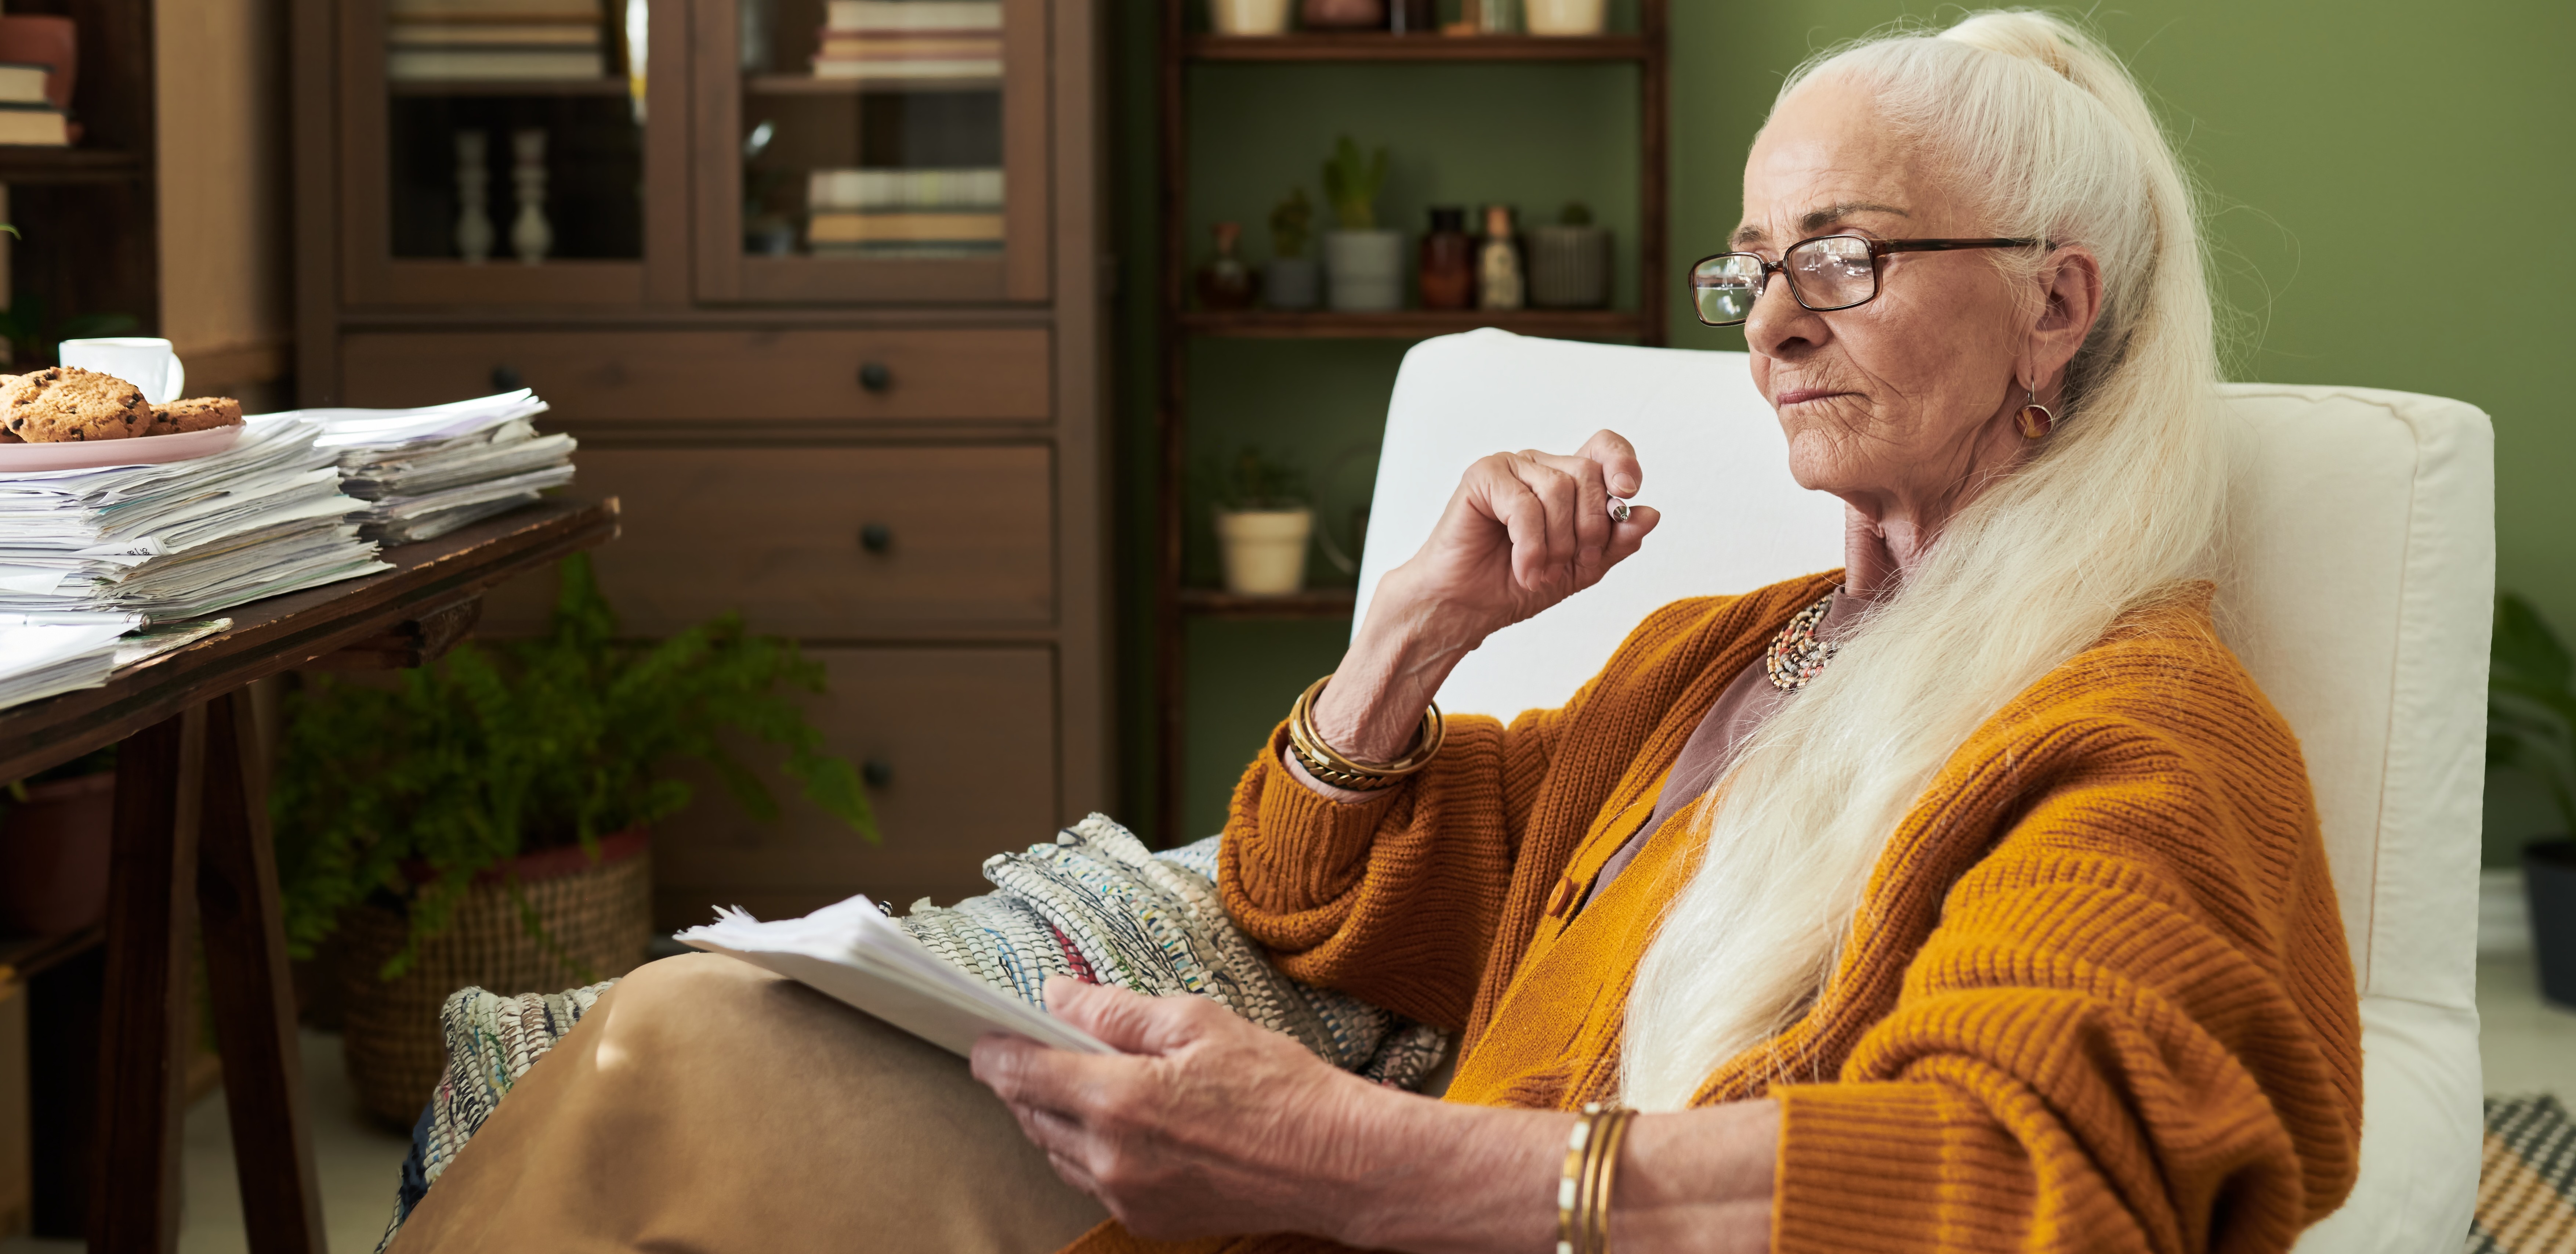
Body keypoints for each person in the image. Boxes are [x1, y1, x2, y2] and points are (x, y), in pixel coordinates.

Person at [388, 11, 2359, 1254]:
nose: (1763, 322)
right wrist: (1408, 636)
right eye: (1750, 265)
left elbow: (2022, 1185)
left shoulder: (2144, 738)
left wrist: (1349, 1160)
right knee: (686, 1033)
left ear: (2051, 307)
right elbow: (1312, 893)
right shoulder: (1726, 657)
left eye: (1839, 256)